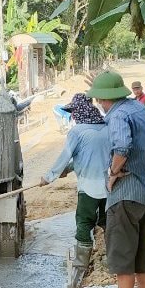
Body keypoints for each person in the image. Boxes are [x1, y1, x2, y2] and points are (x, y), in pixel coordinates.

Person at [85, 71, 145, 288]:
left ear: (105, 99)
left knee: (122, 256)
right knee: (142, 254)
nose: (99, 106)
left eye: (99, 100)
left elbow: (123, 147)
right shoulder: (137, 110)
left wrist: (113, 173)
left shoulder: (117, 115)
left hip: (125, 197)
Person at [40, 93, 110, 269]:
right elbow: (88, 156)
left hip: (89, 187)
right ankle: (112, 259)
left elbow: (66, 155)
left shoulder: (77, 132)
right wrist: (69, 169)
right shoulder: (106, 127)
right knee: (108, 221)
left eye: (73, 111)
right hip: (110, 185)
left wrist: (49, 177)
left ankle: (81, 263)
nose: (71, 115)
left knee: (84, 222)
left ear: (78, 111)